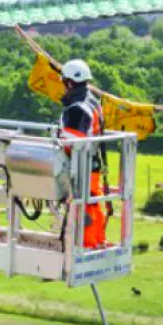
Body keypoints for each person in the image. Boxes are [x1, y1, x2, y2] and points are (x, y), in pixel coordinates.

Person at [56, 58, 109, 249]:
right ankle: (97, 241)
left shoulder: (77, 109)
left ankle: (87, 244)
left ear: (70, 83)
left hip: (81, 168)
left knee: (86, 207)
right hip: (91, 166)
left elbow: (72, 144)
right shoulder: (93, 101)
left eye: (64, 83)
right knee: (93, 204)